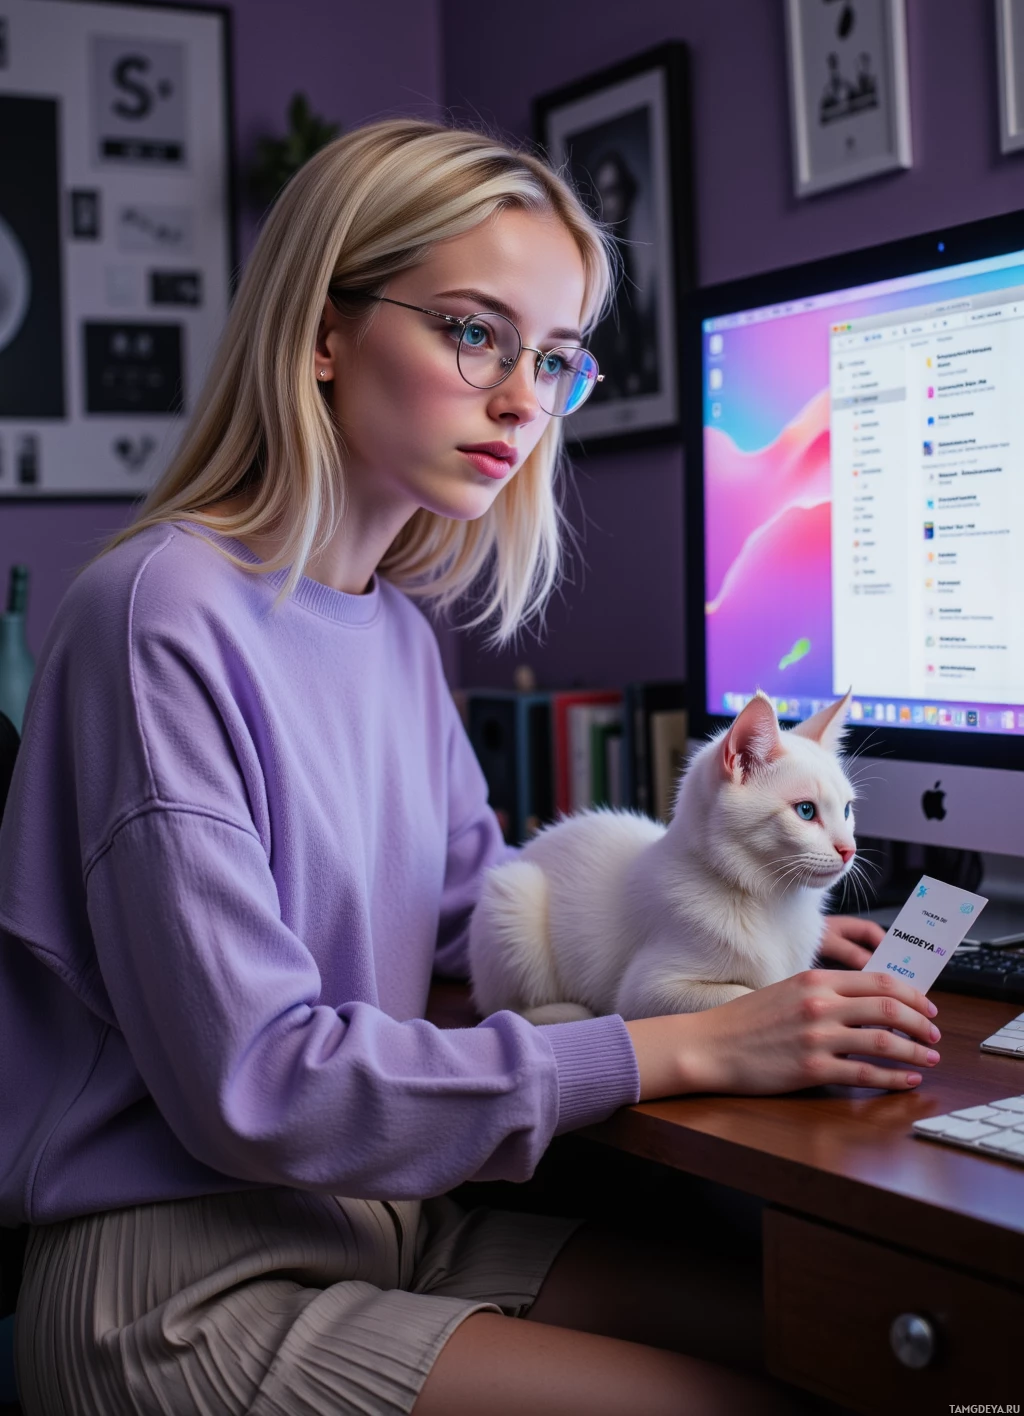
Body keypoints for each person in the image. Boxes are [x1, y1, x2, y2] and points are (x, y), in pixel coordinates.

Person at [0, 118, 941, 1416]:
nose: (521, 400)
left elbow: (467, 931)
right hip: (184, 1294)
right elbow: (257, 1084)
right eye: (473, 332)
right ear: (323, 332)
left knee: (849, 1354)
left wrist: (728, 923)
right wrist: (690, 1044)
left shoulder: (387, 627)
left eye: (553, 358)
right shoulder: (160, 612)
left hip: (392, 1219)